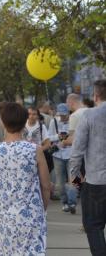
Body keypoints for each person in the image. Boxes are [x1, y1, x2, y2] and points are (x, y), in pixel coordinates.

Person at [0, 102, 50, 255]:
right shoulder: (34, 150)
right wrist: (42, 208)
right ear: (24, 123)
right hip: (31, 213)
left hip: (5, 214)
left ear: (3, 122)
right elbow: (45, 185)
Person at [70, 80, 106, 256]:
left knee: (93, 225)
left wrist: (75, 178)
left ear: (96, 95)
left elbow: (77, 150)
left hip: (95, 181)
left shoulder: (89, 116)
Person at [48, 103, 77, 214]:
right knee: (60, 182)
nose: (63, 117)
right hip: (58, 155)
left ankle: (72, 202)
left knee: (73, 179)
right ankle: (64, 202)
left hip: (71, 154)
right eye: (61, 115)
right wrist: (58, 136)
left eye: (65, 115)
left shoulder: (73, 121)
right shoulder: (53, 122)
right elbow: (48, 137)